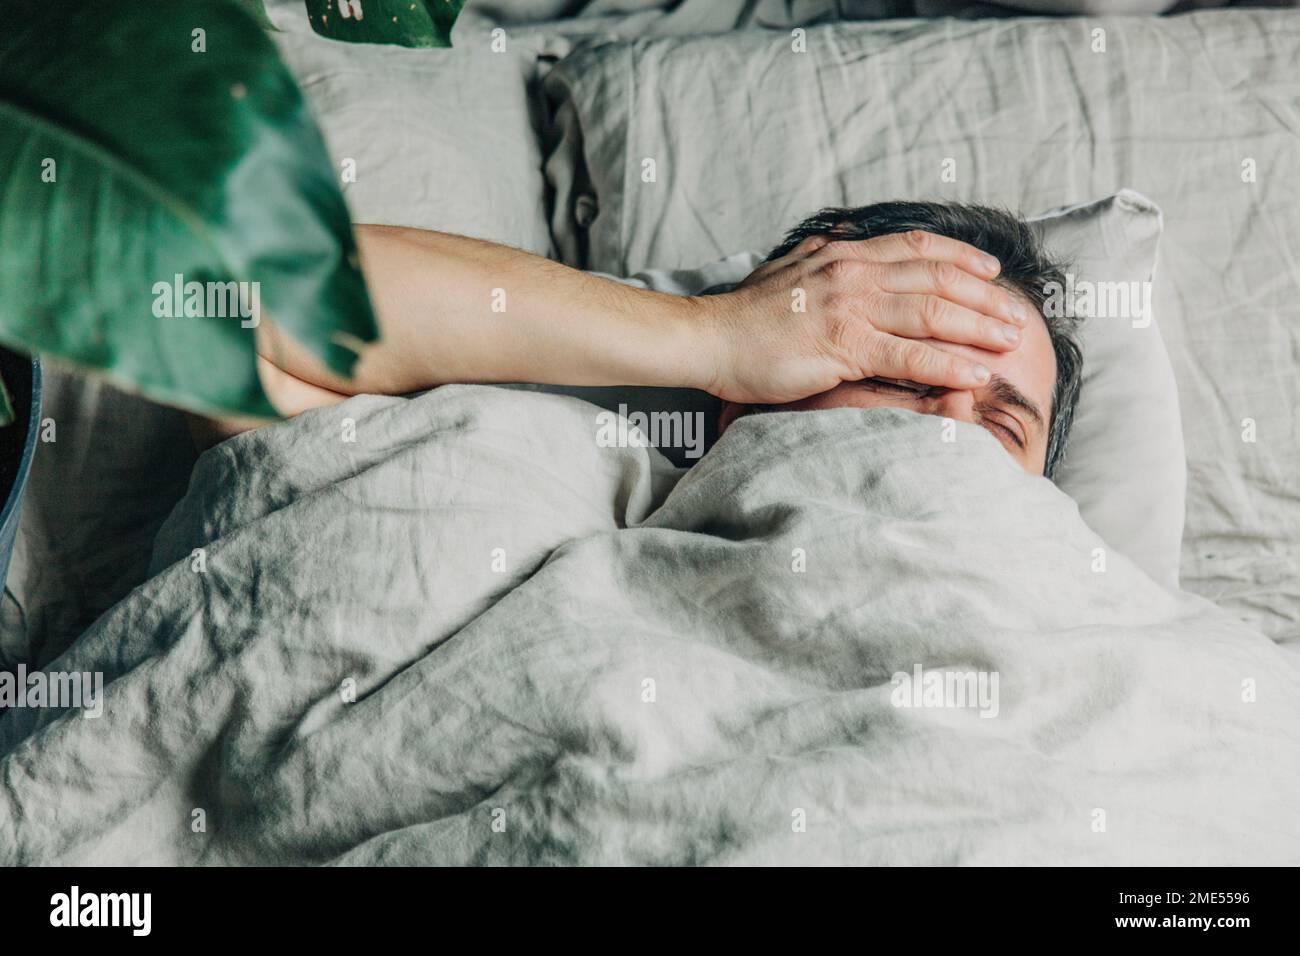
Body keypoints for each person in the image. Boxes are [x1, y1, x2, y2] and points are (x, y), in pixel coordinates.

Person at [211, 201, 1082, 477]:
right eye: (902, 375)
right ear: (748, 400)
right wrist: (709, 337)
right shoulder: (558, 494)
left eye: (1007, 427)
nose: (950, 433)